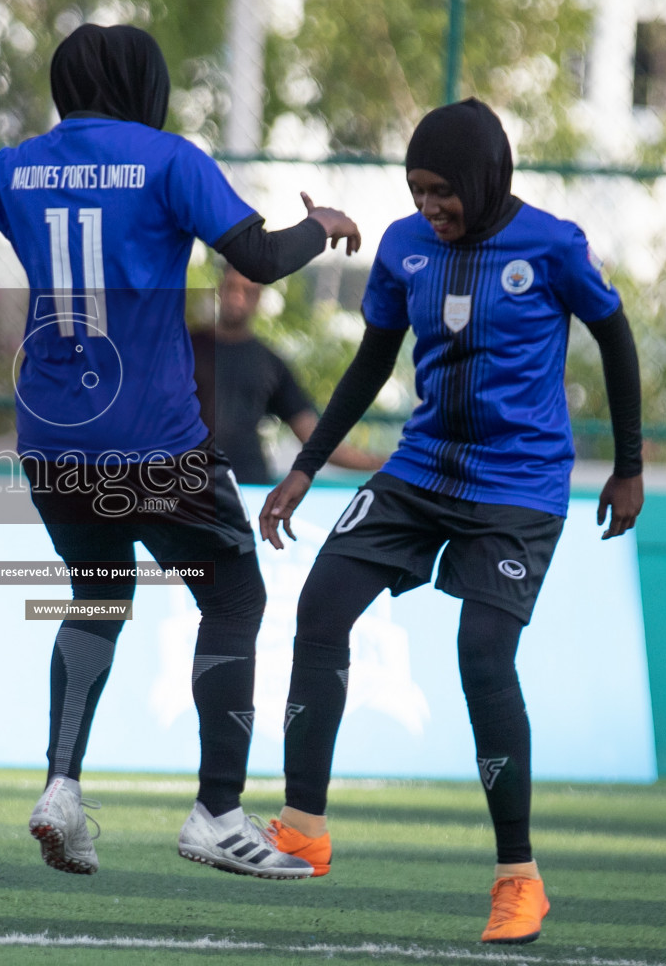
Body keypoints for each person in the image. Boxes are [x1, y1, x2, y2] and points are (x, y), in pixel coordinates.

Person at [0, 23, 360, 879]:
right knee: (232, 594)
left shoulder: (16, 165)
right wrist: (319, 226)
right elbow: (257, 254)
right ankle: (218, 812)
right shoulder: (168, 159)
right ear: (146, 81)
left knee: (97, 595)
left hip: (51, 443)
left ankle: (61, 789)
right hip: (152, 438)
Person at [256, 99, 643, 944]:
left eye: (442, 191)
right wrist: (304, 466)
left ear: (482, 177)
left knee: (481, 653)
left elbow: (616, 337)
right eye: (416, 189)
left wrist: (631, 465)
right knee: (321, 606)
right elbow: (371, 361)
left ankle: (519, 878)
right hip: (421, 469)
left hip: (519, 486)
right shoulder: (403, 248)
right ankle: (303, 829)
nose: (430, 206)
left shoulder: (553, 246)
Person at [191, 265, 384, 483]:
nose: (237, 298)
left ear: (259, 296)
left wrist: (385, 464)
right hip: (189, 484)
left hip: (247, 486)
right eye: (231, 287)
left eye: (248, 290)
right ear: (220, 288)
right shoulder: (186, 349)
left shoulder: (270, 363)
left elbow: (315, 438)